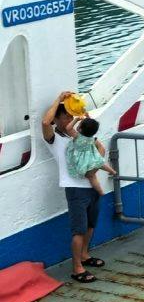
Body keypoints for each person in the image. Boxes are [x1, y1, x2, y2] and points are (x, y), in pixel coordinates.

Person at [41, 91, 105, 284]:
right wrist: (58, 98)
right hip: (75, 189)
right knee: (79, 230)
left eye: (72, 115)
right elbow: (45, 123)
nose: (71, 119)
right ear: (57, 119)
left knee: (91, 225)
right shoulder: (55, 139)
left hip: (91, 186)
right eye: (66, 116)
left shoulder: (77, 135)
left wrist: (82, 114)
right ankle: (77, 268)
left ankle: (85, 255)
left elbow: (99, 147)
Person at [66, 117, 117, 196]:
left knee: (91, 177)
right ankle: (112, 171)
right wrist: (86, 118)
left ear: (80, 129)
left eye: (79, 124)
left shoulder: (77, 136)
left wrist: (76, 119)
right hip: (92, 157)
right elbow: (90, 126)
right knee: (100, 164)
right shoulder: (91, 138)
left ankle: (101, 192)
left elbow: (68, 128)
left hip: (83, 161)